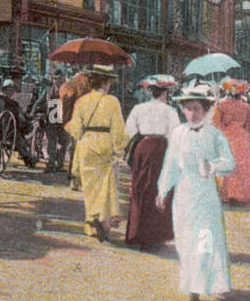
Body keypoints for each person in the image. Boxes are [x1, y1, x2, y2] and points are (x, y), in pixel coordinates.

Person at [156, 83, 236, 301]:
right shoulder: (178, 133)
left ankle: (208, 284)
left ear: (205, 110)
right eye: (188, 109)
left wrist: (213, 166)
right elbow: (171, 164)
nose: (191, 114)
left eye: (196, 109)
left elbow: (230, 163)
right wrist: (163, 190)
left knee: (205, 239)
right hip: (184, 193)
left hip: (206, 194)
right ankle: (192, 286)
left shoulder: (214, 135)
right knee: (186, 240)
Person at [63, 66, 128, 242]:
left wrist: (81, 135)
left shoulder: (81, 101)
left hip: (87, 145)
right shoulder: (112, 102)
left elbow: (75, 129)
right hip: (105, 143)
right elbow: (119, 129)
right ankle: (102, 218)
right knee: (105, 186)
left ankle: (91, 224)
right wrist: (119, 148)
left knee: (90, 188)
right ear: (106, 83)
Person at [123, 77, 180, 248]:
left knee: (140, 188)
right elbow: (175, 134)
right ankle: (156, 234)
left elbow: (129, 131)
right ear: (165, 94)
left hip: (143, 147)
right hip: (161, 149)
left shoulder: (139, 108)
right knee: (160, 188)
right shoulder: (170, 111)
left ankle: (138, 231)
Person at [214, 78, 250, 205]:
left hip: (227, 137)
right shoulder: (246, 107)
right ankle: (240, 194)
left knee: (228, 164)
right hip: (241, 138)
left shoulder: (221, 106)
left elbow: (217, 124)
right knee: (242, 166)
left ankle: (227, 192)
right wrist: (249, 137)